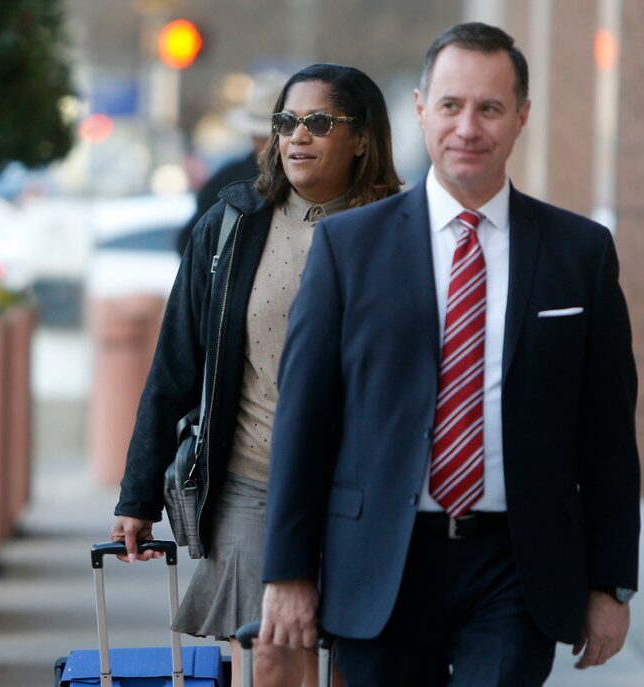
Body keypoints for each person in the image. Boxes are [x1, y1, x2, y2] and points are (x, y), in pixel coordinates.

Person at [259, 22, 641, 686]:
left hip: (517, 564)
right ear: (419, 109)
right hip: (381, 557)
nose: (469, 126)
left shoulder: (580, 254)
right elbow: (304, 418)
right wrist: (287, 570)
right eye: (451, 105)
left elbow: (607, 432)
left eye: (489, 107)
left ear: (521, 116)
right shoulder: (350, 249)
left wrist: (612, 583)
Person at [111, 63, 401, 687]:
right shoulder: (233, 226)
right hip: (250, 481)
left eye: (319, 122)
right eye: (286, 122)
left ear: (361, 138)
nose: (298, 136)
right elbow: (175, 364)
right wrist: (137, 496)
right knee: (270, 657)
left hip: (365, 493)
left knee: (360, 663)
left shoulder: (401, 235)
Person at [176, 70, 287, 256]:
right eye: (261, 136)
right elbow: (191, 243)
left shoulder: (306, 180)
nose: (268, 143)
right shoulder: (227, 181)